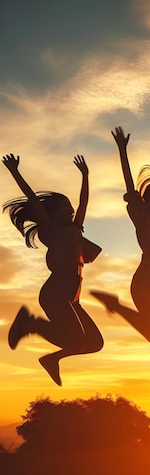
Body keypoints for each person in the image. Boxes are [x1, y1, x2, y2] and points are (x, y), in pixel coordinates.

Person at [2, 153, 103, 385]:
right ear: (54, 213)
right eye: (65, 207)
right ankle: (32, 324)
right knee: (76, 340)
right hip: (56, 293)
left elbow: (84, 203)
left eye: (71, 207)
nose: (71, 210)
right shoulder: (50, 229)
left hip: (72, 298)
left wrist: (86, 176)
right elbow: (34, 201)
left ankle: (51, 359)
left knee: (94, 343)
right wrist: (15, 171)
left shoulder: (76, 229)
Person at [90, 127, 150, 343]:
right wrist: (122, 149)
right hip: (145, 281)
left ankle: (138, 316)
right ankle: (115, 305)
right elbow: (129, 183)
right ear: (148, 200)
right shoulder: (142, 216)